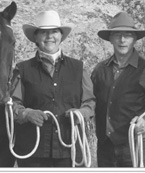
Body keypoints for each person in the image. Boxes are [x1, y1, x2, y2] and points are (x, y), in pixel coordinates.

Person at [11, 10, 95, 167]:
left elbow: (89, 102)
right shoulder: (22, 69)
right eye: (44, 32)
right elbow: (13, 103)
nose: (49, 36)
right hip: (32, 152)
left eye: (54, 31)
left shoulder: (78, 68)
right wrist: (26, 113)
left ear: (61, 36)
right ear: (36, 37)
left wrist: (81, 114)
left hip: (70, 151)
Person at [91, 11, 145, 167]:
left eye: (127, 35)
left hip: (137, 147)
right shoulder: (99, 70)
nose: (122, 40)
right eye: (117, 35)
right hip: (106, 148)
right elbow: (90, 102)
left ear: (134, 39)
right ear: (110, 39)